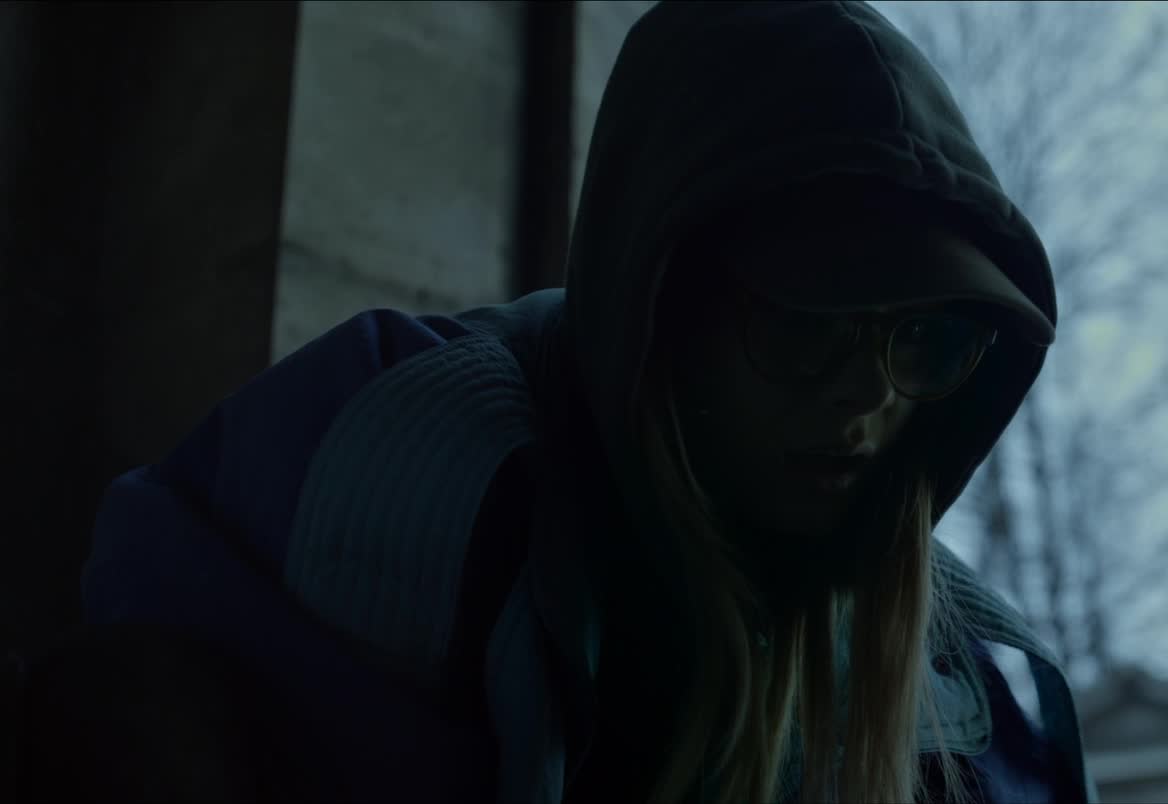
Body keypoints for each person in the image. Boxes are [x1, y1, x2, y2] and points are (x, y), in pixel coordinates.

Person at [17, 1, 1095, 802]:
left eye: (927, 340)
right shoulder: (416, 472)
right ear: (662, 302)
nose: (869, 394)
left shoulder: (979, 695)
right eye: (805, 323)